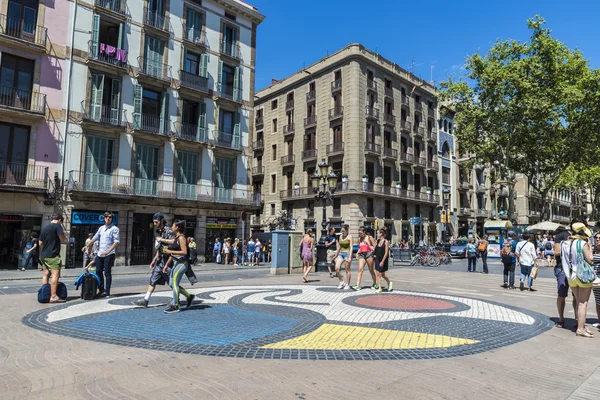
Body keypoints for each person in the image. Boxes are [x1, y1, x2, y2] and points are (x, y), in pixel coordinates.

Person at [132, 212, 174, 307]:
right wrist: (154, 260)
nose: (154, 224)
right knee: (153, 279)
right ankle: (146, 300)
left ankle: (181, 297)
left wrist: (162, 240)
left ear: (161, 221)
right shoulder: (158, 231)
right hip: (160, 261)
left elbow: (173, 242)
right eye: (154, 222)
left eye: (156, 222)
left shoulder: (169, 231)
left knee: (171, 282)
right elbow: (159, 249)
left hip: (168, 261)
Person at [561, 221, 595, 338]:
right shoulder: (582, 243)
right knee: (583, 303)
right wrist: (590, 248)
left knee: (578, 301)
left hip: (570, 276)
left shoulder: (565, 243)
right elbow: (590, 259)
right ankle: (580, 328)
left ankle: (581, 325)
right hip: (583, 276)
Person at [83, 212, 120, 297]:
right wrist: (86, 246)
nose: (108, 218)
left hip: (109, 254)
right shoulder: (101, 228)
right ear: (104, 218)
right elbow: (95, 238)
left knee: (107, 272)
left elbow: (116, 242)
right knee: (98, 271)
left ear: (112, 219)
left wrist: (108, 251)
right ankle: (101, 290)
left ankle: (107, 291)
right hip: (100, 253)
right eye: (106, 217)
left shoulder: (114, 229)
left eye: (110, 217)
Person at [161, 220, 195, 314]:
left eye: (173, 225)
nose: (171, 227)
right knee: (172, 284)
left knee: (174, 283)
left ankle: (175, 305)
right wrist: (167, 265)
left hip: (182, 263)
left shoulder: (181, 238)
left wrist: (169, 252)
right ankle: (189, 296)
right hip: (176, 263)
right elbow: (173, 254)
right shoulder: (176, 238)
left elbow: (184, 252)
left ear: (176, 227)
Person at [39, 214, 67, 303]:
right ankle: (53, 296)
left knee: (46, 274)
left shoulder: (45, 228)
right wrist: (65, 239)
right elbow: (62, 239)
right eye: (61, 222)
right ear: (59, 220)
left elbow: (40, 243)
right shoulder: (57, 226)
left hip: (44, 255)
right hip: (53, 255)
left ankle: (45, 295)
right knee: (55, 274)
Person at [553, 226, 576, 329]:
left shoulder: (582, 236)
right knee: (561, 295)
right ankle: (561, 319)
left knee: (577, 296)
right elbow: (556, 252)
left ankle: (578, 320)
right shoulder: (562, 236)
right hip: (562, 268)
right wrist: (569, 245)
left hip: (575, 269)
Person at [334, 225, 354, 290]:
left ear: (346, 231)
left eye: (343, 231)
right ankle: (342, 282)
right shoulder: (340, 237)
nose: (342, 232)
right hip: (341, 253)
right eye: (341, 231)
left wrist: (350, 257)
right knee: (337, 268)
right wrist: (336, 255)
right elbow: (339, 247)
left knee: (347, 270)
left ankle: (347, 284)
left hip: (347, 253)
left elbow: (351, 247)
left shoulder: (350, 237)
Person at [374, 228, 392, 294]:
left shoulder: (386, 242)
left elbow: (386, 252)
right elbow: (375, 249)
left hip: (383, 259)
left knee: (383, 275)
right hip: (377, 258)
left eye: (378, 233)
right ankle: (379, 288)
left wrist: (383, 261)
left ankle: (389, 282)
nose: (376, 234)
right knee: (378, 274)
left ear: (381, 234)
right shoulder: (377, 241)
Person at [591, 234, 600, 331]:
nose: (597, 239)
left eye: (599, 238)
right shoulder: (594, 249)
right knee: (598, 301)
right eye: (596, 238)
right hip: (596, 280)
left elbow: (591, 259)